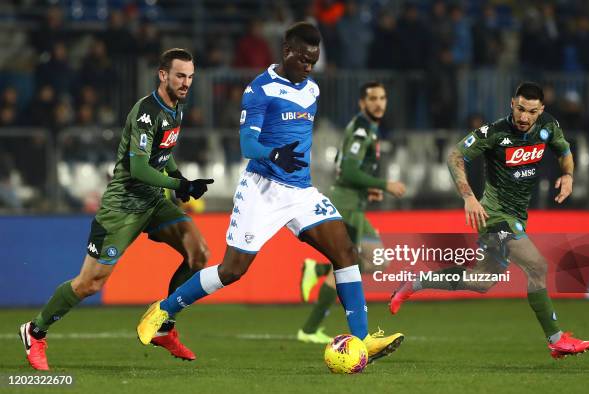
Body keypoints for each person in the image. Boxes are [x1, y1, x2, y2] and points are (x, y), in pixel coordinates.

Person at [136, 22, 405, 364]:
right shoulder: (259, 90)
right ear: (287, 52)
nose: (309, 66)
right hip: (262, 190)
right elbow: (248, 143)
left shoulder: (312, 90)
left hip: (301, 191)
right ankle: (163, 309)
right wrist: (274, 153)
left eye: (315, 59)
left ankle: (363, 338)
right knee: (232, 271)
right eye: (304, 58)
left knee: (346, 252)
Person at [19, 49, 214, 370]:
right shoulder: (146, 112)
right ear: (162, 74)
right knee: (89, 284)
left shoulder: (176, 107)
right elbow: (138, 168)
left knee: (199, 253)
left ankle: (163, 323)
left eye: (191, 77)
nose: (186, 83)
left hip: (153, 202)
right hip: (123, 207)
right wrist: (180, 186)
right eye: (180, 75)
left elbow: (164, 152)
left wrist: (178, 177)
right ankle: (35, 330)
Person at [389, 82, 589, 359]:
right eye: (520, 109)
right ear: (512, 103)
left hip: (517, 216)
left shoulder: (549, 125)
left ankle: (417, 282)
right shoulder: (494, 133)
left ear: (541, 110)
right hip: (494, 216)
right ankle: (557, 339)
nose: (524, 117)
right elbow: (455, 155)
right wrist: (469, 197)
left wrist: (568, 175)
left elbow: (564, 151)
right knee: (536, 265)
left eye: (531, 112)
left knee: (481, 281)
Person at [297, 81, 406, 343]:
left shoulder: (367, 128)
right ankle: (310, 330)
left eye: (382, 98)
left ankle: (319, 269)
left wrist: (368, 190)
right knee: (347, 266)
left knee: (379, 260)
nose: (379, 103)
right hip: (346, 207)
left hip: (354, 203)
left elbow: (342, 165)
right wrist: (384, 184)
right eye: (373, 98)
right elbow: (348, 170)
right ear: (362, 103)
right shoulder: (360, 129)